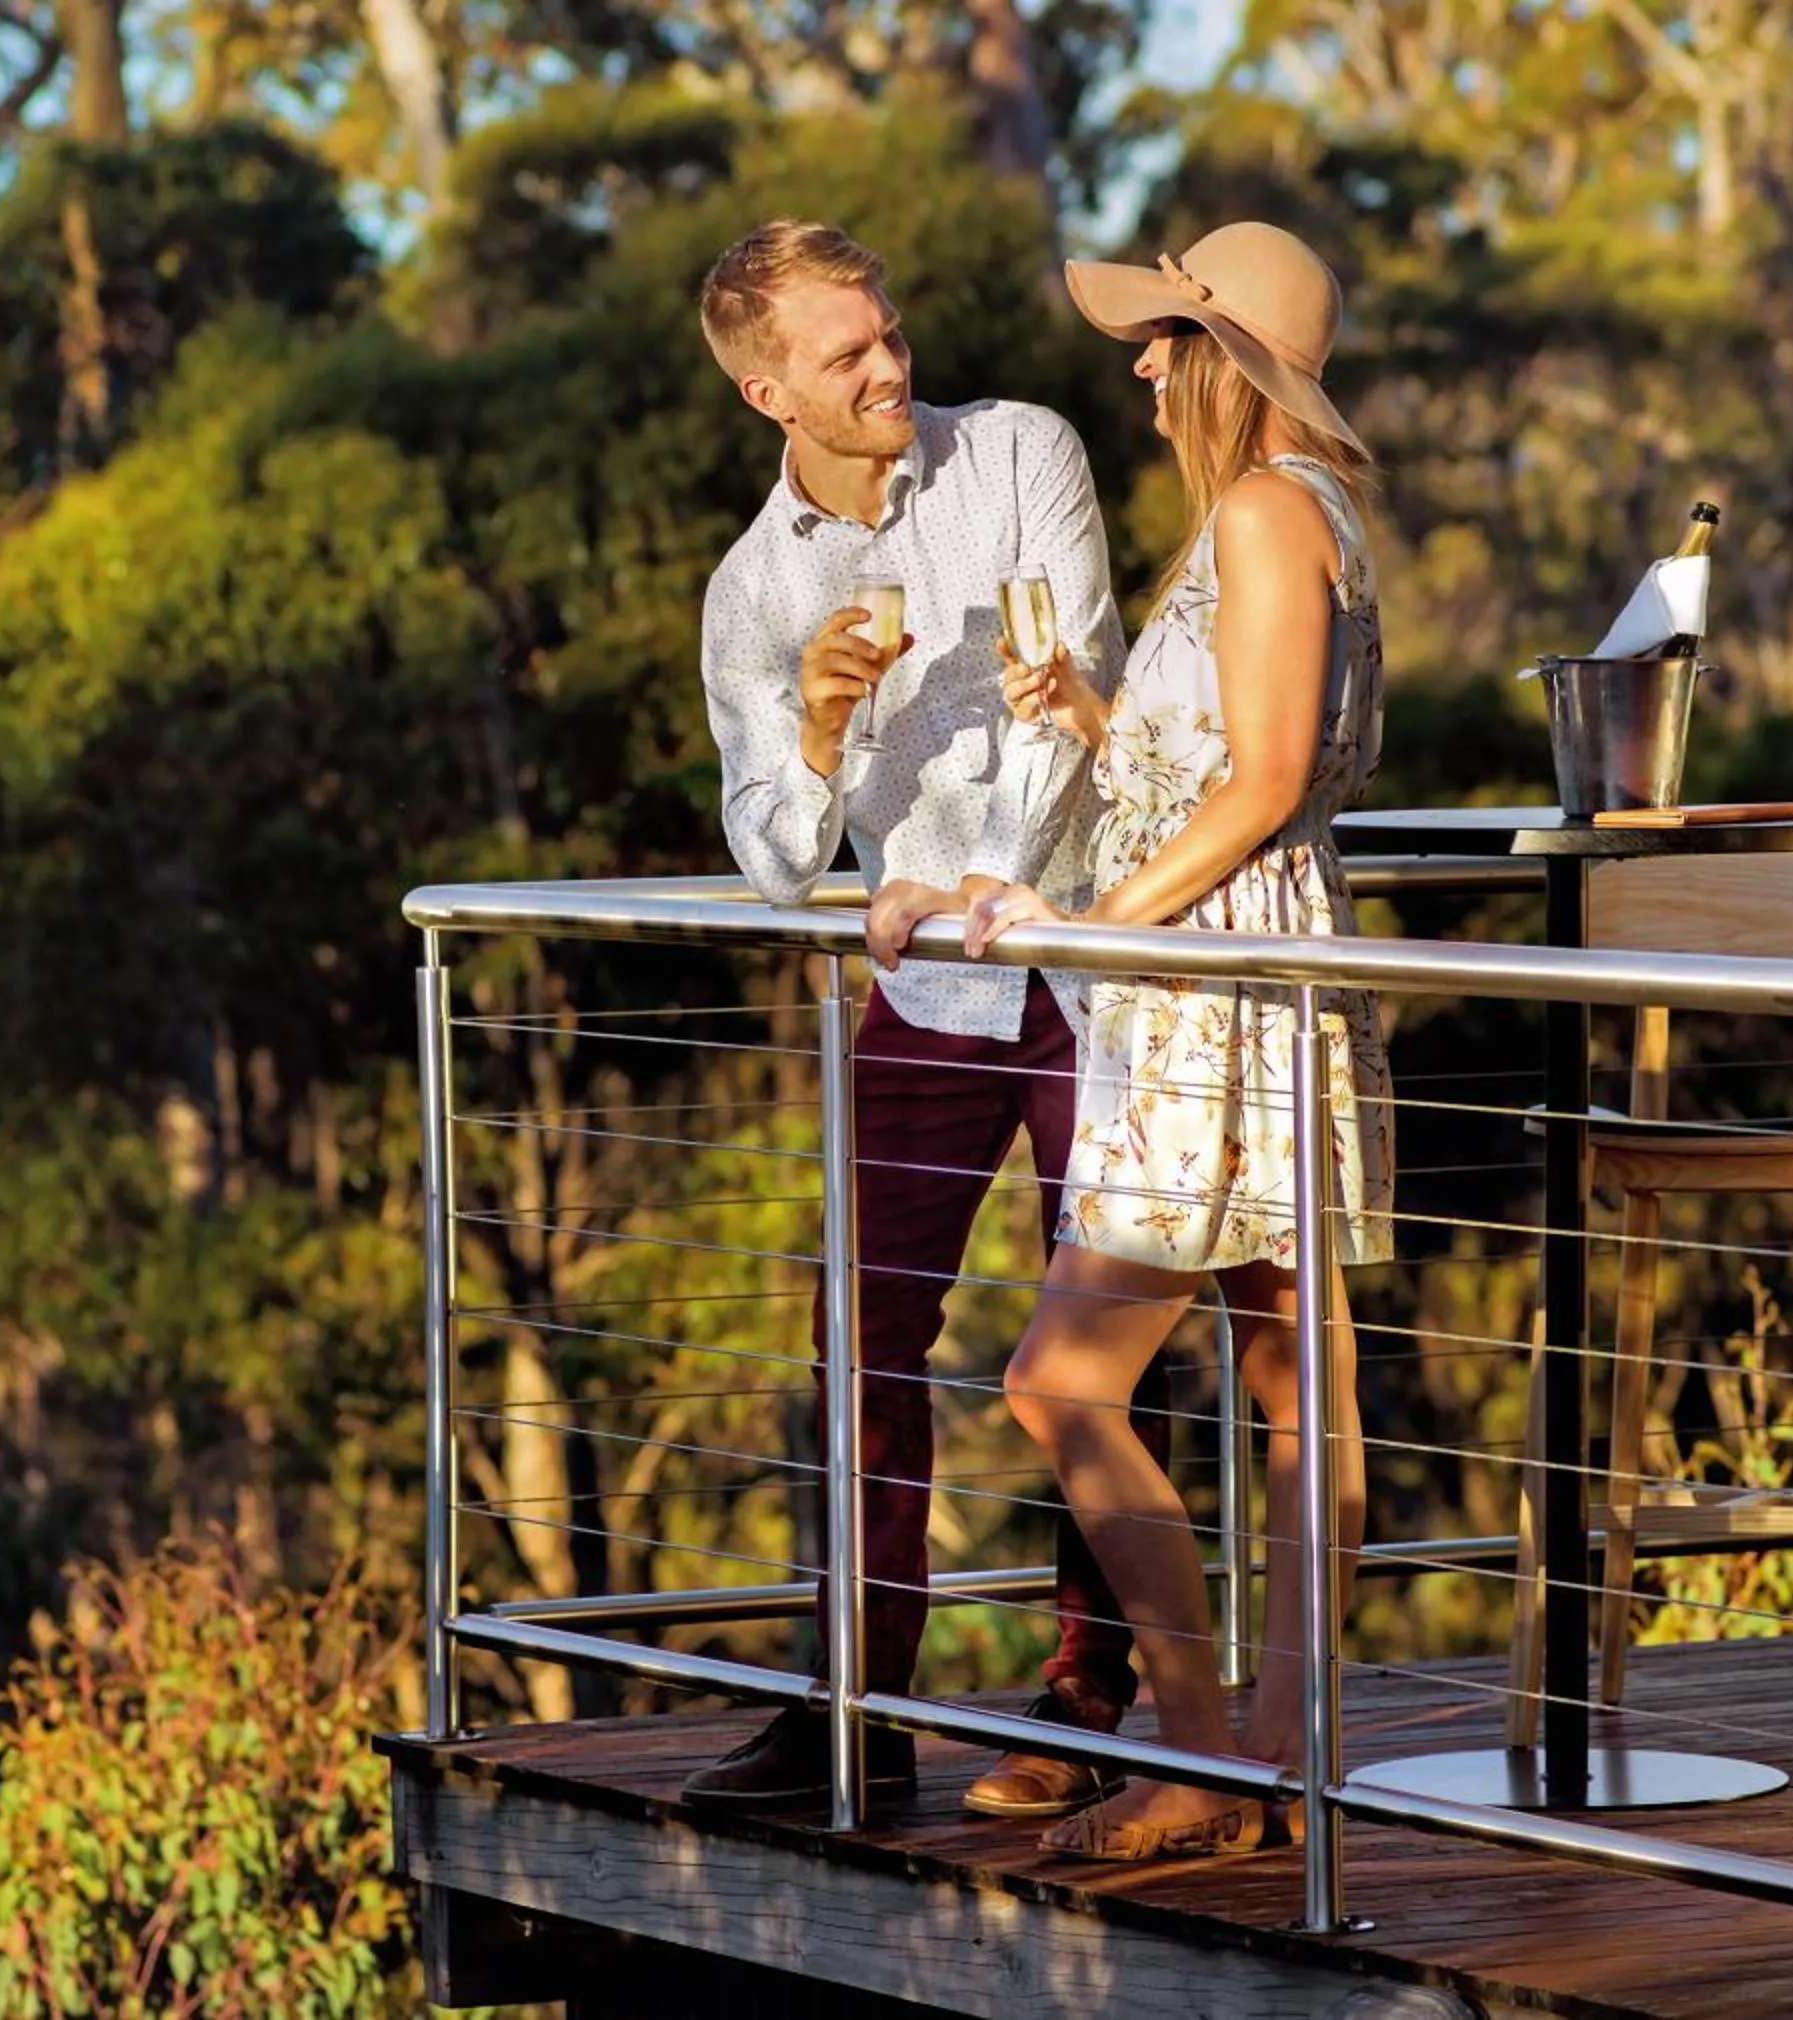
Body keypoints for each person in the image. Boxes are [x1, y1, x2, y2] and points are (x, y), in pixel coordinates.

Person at [680, 217, 1170, 1818]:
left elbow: (1073, 678)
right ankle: (854, 1708)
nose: (892, 369)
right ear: (771, 394)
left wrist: (985, 880)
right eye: (848, 356)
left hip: (1084, 963)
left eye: (888, 333)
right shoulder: (753, 591)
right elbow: (773, 857)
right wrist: (818, 731)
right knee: (861, 1342)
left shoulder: (1020, 449)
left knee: (1096, 1347)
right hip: (927, 997)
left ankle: (1090, 1697)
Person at [965, 220, 1396, 1859]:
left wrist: (1088, 921)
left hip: (1217, 984)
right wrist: (1094, 715)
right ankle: (1273, 1769)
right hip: (1252, 964)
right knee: (1295, 1375)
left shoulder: (1273, 512)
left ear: (1228, 360)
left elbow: (1269, 781)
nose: (1143, 364)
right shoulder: (1289, 515)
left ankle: (1208, 1760)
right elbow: (1236, 755)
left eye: (1163, 339)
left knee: (1058, 1377)